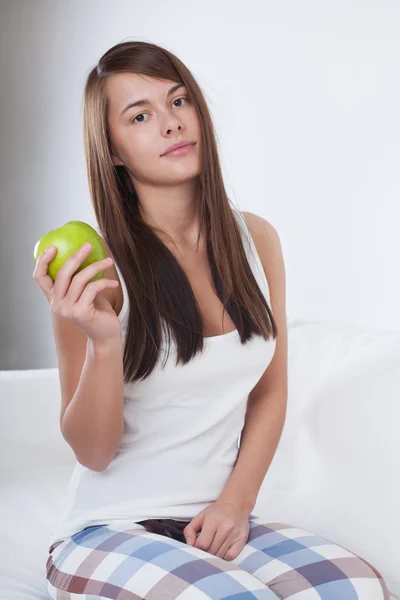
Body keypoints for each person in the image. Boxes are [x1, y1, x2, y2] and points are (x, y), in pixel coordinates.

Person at [33, 40, 389, 599]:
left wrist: (235, 503)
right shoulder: (93, 265)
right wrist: (103, 342)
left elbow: (270, 392)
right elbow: (92, 452)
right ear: (114, 151)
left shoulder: (257, 239)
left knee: (356, 587)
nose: (171, 124)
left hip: (215, 522)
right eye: (141, 115)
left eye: (179, 102)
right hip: (108, 530)